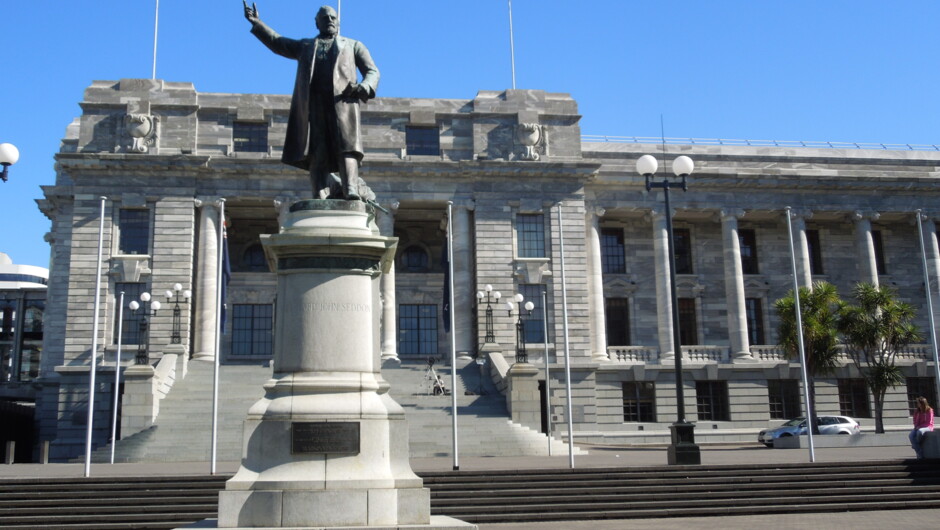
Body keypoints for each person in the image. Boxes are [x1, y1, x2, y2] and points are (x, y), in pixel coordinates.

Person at [243, 2, 379, 201]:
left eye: (333, 17)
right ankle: (319, 193)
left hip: (343, 103)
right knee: (316, 150)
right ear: (317, 23)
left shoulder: (353, 45)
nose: (330, 20)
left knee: (347, 146)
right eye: (325, 18)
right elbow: (278, 42)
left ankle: (351, 188)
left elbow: (372, 71)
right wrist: (257, 23)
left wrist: (364, 87)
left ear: (338, 22)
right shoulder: (305, 46)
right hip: (313, 105)